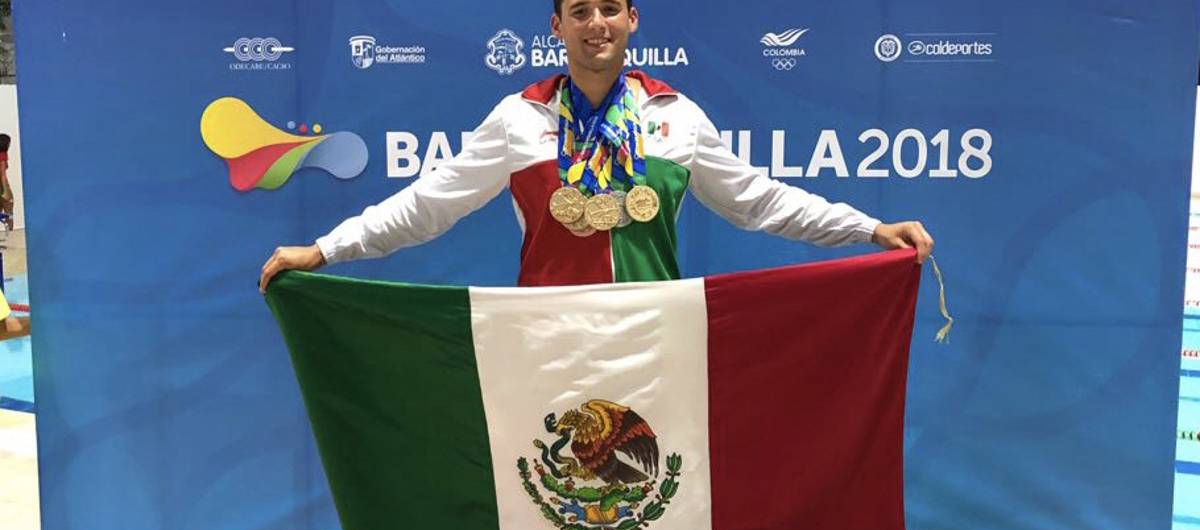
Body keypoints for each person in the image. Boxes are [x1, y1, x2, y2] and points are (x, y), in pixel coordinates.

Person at [258, 0, 932, 293]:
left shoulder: (676, 115)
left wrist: (869, 229)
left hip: (653, 338)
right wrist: (326, 249)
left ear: (632, 20)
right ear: (557, 27)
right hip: (547, 340)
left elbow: (760, 202)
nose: (596, 23)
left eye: (609, 8)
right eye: (579, 11)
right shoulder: (519, 118)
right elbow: (429, 204)